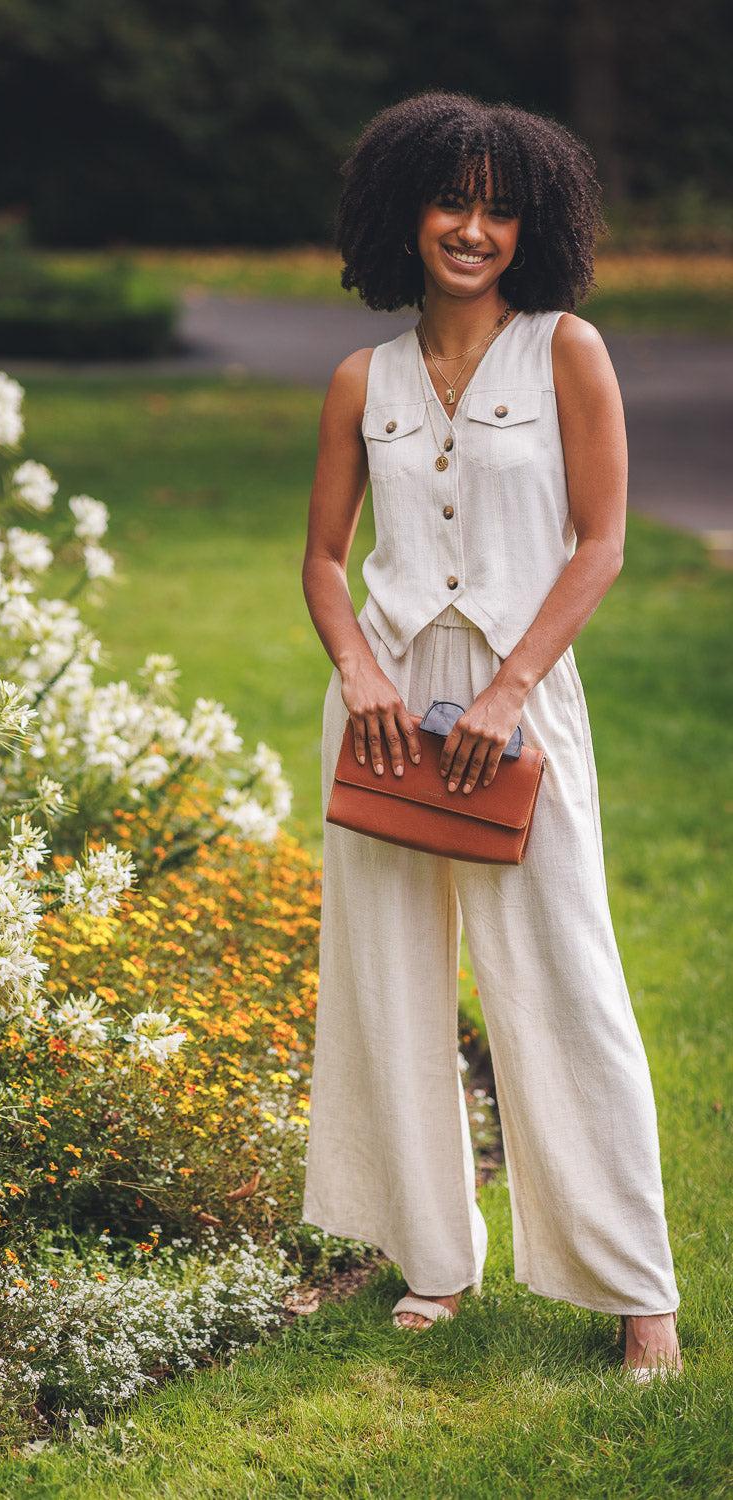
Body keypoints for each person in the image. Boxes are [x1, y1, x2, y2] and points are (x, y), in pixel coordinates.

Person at [299, 89, 682, 1380]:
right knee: (391, 987)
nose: (474, 229)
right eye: (453, 201)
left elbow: (604, 541)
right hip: (390, 718)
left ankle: (639, 1293)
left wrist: (514, 689)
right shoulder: (365, 379)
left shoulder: (567, 349)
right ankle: (434, 1258)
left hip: (519, 707)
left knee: (566, 987)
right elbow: (321, 559)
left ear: (534, 228)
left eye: (500, 208)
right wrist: (358, 671)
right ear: (404, 212)